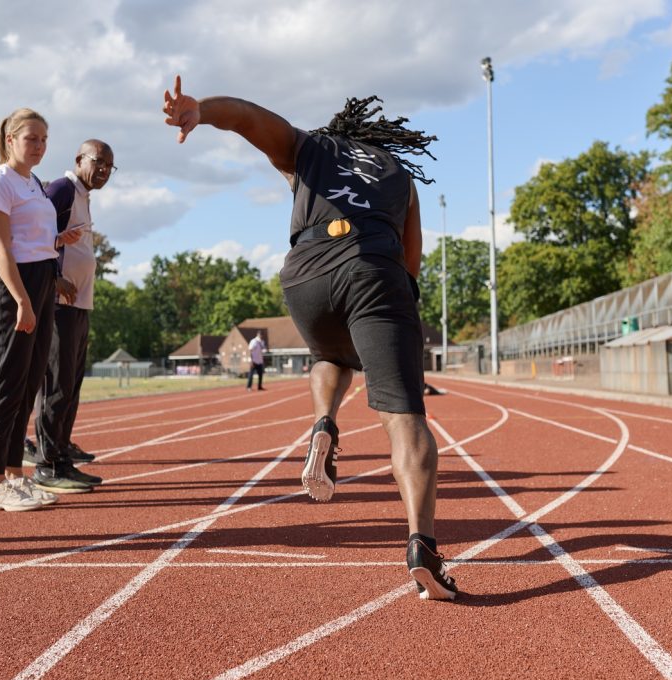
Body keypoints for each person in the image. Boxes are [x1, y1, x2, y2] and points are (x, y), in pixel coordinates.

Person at [162, 76, 457, 600]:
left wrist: (199, 110)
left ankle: (325, 422)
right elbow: (410, 268)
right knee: (404, 418)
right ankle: (422, 546)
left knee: (328, 352)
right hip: (374, 267)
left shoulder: (310, 147)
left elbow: (250, 119)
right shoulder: (400, 175)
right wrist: (393, 330)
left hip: (305, 274)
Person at [0, 108, 76, 512]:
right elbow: (1, 247)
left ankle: (15, 474)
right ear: (10, 139)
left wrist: (55, 239)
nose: (40, 146)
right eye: (32, 138)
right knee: (7, 384)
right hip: (9, 288)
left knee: (29, 383)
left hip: (40, 281)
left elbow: (33, 237)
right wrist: (21, 301)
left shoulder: (34, 182)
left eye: (44, 139)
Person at [25, 140, 114, 493]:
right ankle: (47, 464)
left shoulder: (82, 197)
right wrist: (54, 276)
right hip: (60, 305)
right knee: (56, 386)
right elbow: (35, 231)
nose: (104, 170)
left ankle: (60, 454)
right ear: (79, 160)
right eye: (99, 162)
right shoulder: (61, 188)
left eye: (110, 166)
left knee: (70, 386)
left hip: (80, 306)